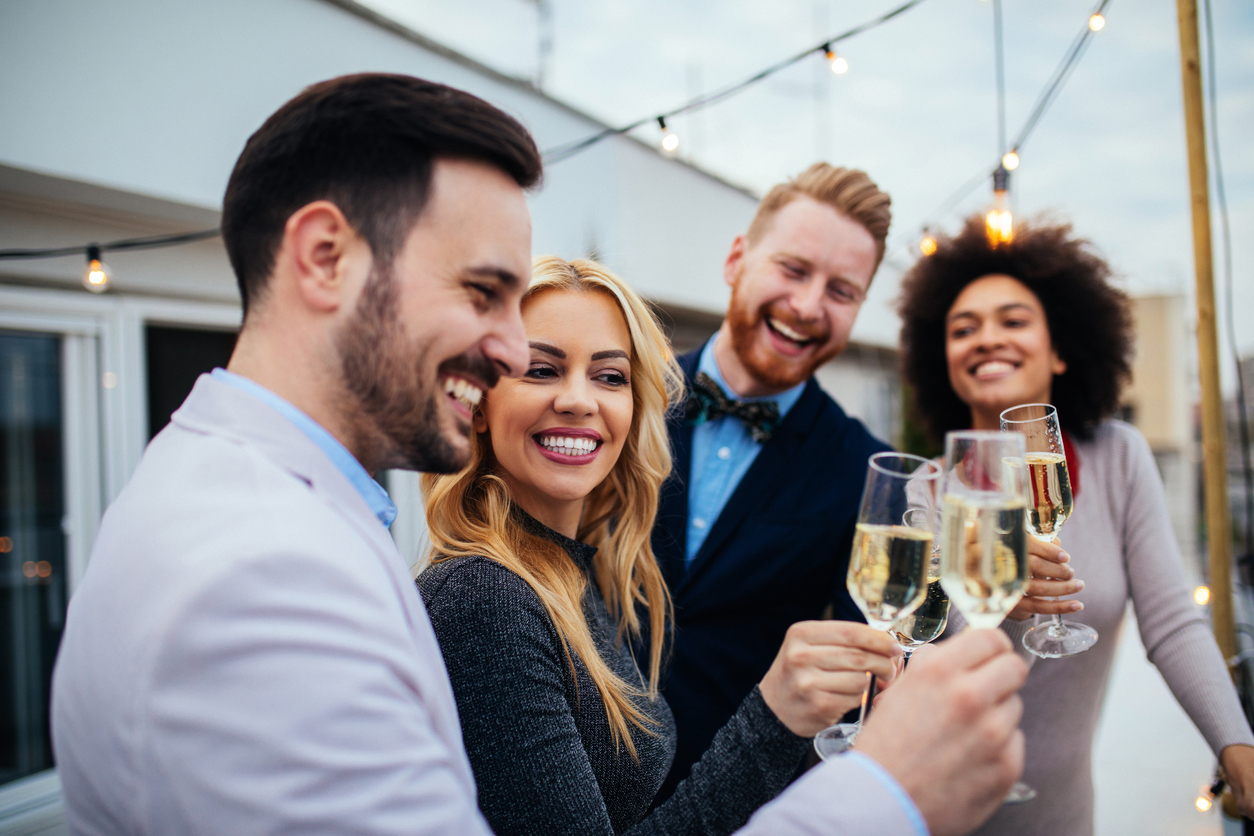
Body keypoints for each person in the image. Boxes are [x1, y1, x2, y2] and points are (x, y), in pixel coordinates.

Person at [50, 72, 1025, 836]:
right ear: (323, 256)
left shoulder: (285, 503)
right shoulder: (281, 572)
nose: (515, 354)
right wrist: (887, 792)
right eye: (484, 291)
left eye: (610, 375)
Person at [418, 257, 908, 835]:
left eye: (609, 376)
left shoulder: (568, 574)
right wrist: (775, 717)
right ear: (477, 404)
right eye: (541, 369)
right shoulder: (484, 597)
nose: (580, 400)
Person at [897, 215, 1254, 835]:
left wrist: (1236, 743)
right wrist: (1003, 609)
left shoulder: (1119, 456)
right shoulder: (925, 491)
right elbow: (912, 667)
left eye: (1013, 321)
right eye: (963, 329)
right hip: (937, 815)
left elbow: (1171, 618)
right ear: (943, 360)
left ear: (1061, 349)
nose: (986, 339)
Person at [651, 163, 896, 794]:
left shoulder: (864, 469)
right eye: (793, 269)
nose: (809, 306)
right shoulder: (623, 398)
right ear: (738, 259)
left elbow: (858, 687)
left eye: (842, 291)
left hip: (737, 800)